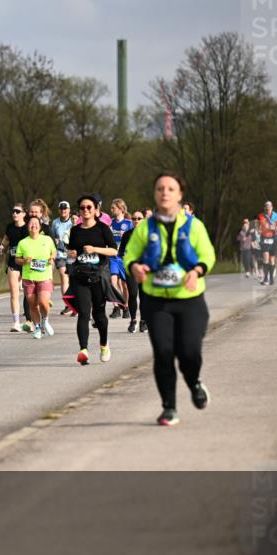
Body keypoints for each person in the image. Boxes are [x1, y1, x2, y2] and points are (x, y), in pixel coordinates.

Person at [125, 171, 216, 426]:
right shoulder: (145, 227)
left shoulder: (194, 226)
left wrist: (196, 271)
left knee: (189, 353)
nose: (165, 192)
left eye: (170, 189)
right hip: (157, 302)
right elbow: (130, 255)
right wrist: (135, 267)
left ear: (179, 194)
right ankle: (169, 408)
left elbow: (208, 255)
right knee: (164, 352)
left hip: (190, 300)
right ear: (155, 194)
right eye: (160, 188)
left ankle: (194, 382)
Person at [67, 194, 118, 365]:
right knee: (83, 313)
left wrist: (95, 249)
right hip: (81, 277)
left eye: (89, 207)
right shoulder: (75, 230)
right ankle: (83, 350)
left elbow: (114, 251)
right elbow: (72, 252)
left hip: (98, 277)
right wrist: (72, 254)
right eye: (82, 208)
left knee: (99, 315)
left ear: (96, 209)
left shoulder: (103, 229)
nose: (86, 210)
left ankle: (104, 344)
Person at [14, 215, 56, 339]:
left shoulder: (47, 239)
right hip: (29, 278)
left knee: (43, 302)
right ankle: (37, 327)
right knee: (33, 305)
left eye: (36, 223)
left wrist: (52, 257)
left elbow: (53, 251)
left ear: (40, 226)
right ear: (28, 227)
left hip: (44, 276)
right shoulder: (23, 242)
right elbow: (17, 260)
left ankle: (45, 321)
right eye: (31, 223)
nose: (34, 225)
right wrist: (24, 261)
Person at [0, 204, 28, 332]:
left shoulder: (28, 227)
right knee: (14, 293)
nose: (15, 213)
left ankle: (32, 320)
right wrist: (2, 246)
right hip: (13, 262)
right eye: (13, 211)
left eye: (17, 211)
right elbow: (6, 239)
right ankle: (16, 322)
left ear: (24, 214)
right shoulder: (10, 227)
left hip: (27, 263)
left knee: (29, 294)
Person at [119, 211, 147, 333]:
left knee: (144, 296)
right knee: (133, 294)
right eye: (134, 218)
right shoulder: (127, 234)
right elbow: (120, 253)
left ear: (143, 220)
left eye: (139, 218)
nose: (136, 220)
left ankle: (143, 321)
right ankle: (133, 320)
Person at [108, 199, 133, 320]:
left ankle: (126, 306)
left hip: (125, 257)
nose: (111, 210)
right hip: (113, 257)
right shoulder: (110, 223)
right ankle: (116, 306)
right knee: (112, 282)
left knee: (125, 285)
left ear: (121, 209)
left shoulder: (129, 223)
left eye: (114, 208)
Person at [50, 201, 73, 315]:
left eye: (65, 209)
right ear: (59, 210)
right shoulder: (55, 223)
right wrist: (55, 240)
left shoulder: (73, 221)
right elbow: (52, 236)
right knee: (64, 278)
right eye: (61, 209)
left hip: (72, 254)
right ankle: (68, 305)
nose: (63, 211)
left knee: (74, 279)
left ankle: (76, 303)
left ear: (69, 210)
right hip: (60, 254)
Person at [257, 200, 277, 285]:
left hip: (274, 239)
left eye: (269, 206)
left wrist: (274, 228)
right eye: (266, 206)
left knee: (271, 260)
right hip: (264, 239)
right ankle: (265, 278)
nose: (267, 207)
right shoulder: (261, 216)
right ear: (264, 207)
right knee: (265, 258)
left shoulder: (276, 216)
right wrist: (259, 230)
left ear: (272, 207)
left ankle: (271, 278)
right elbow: (258, 226)